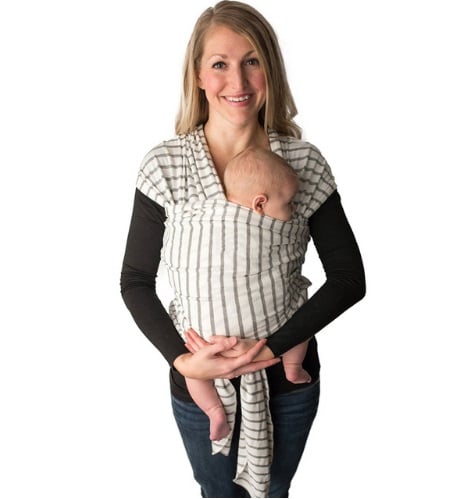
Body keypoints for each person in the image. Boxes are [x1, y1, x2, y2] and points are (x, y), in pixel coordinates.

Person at [120, 1, 366, 497]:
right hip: (199, 381)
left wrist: (272, 350)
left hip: (285, 381)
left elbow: (348, 279)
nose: (238, 80)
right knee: (217, 493)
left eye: (252, 61)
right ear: (198, 75)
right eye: (220, 63)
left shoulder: (301, 163)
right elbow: (135, 281)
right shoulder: (165, 165)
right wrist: (183, 361)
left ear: (270, 68)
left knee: (273, 491)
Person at [183, 146, 312, 443]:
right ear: (260, 204)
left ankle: (214, 411)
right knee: (301, 309)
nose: (293, 210)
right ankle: (293, 366)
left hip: (208, 340)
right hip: (269, 334)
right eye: (288, 203)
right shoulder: (255, 229)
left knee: (193, 369)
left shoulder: (203, 220)